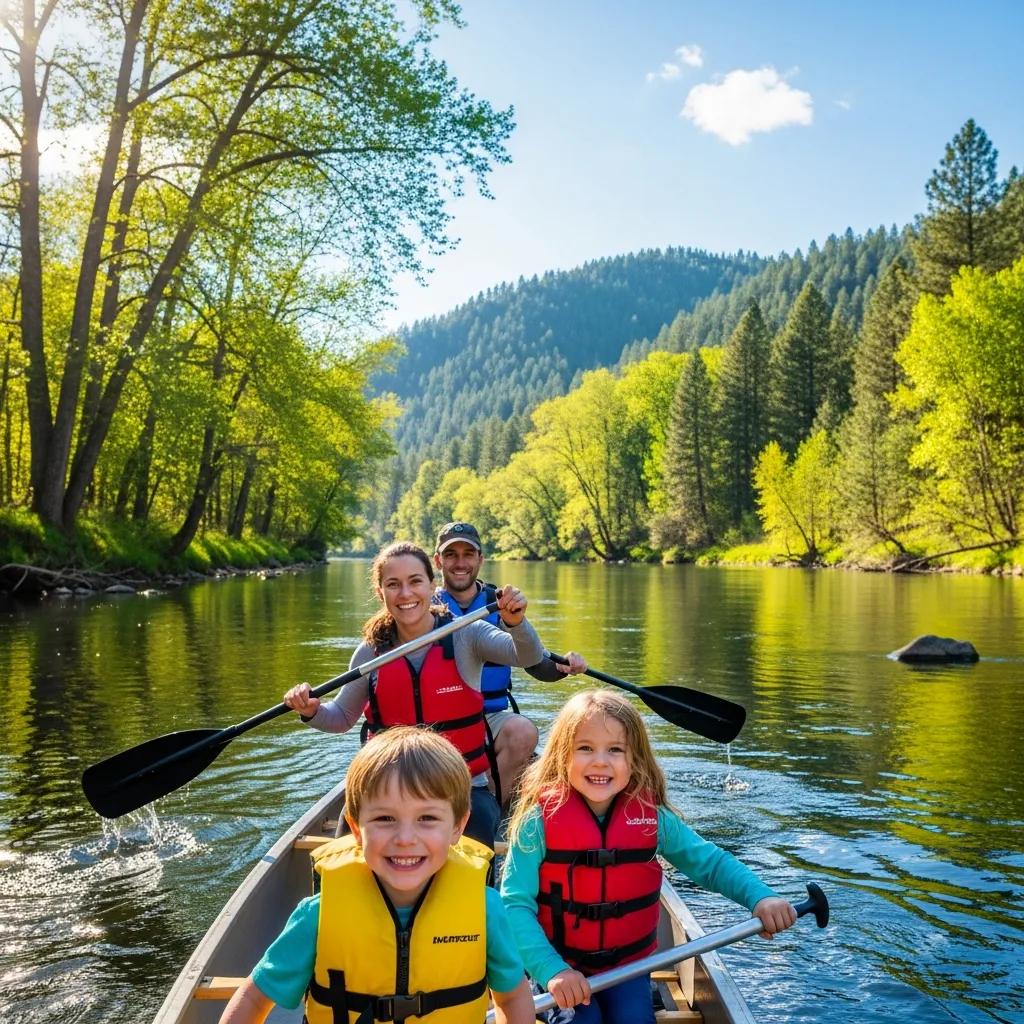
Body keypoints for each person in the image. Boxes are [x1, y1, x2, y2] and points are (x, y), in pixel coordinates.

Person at [500, 689, 798, 1023]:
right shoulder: (537, 821)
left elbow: (712, 865)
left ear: (635, 759)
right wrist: (551, 970)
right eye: (585, 748)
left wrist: (761, 898)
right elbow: (514, 906)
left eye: (615, 750)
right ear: (561, 756)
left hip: (627, 968)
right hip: (556, 966)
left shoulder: (651, 817)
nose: (600, 761)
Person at [218, 727, 535, 1024]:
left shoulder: (485, 910)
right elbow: (253, 999)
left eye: (427, 818)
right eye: (385, 818)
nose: (405, 838)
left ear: (457, 827)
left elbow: (512, 996)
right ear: (356, 828)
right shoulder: (319, 915)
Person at [283, 540, 546, 850]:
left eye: (415, 581)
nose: (405, 594)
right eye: (393, 585)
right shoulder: (371, 651)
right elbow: (340, 718)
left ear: (432, 585)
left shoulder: (467, 634)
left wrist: (516, 622)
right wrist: (311, 710)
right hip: (385, 788)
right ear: (381, 593)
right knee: (339, 853)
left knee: (478, 848)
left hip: (460, 788)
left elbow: (528, 656)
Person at [433, 521, 587, 807]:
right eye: (451, 555)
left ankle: (489, 809)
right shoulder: (421, 605)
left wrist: (562, 668)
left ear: (480, 559)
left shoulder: (502, 603)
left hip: (490, 717)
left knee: (523, 731)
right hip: (434, 719)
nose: (460, 563)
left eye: (468, 554)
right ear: (438, 560)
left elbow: (536, 664)